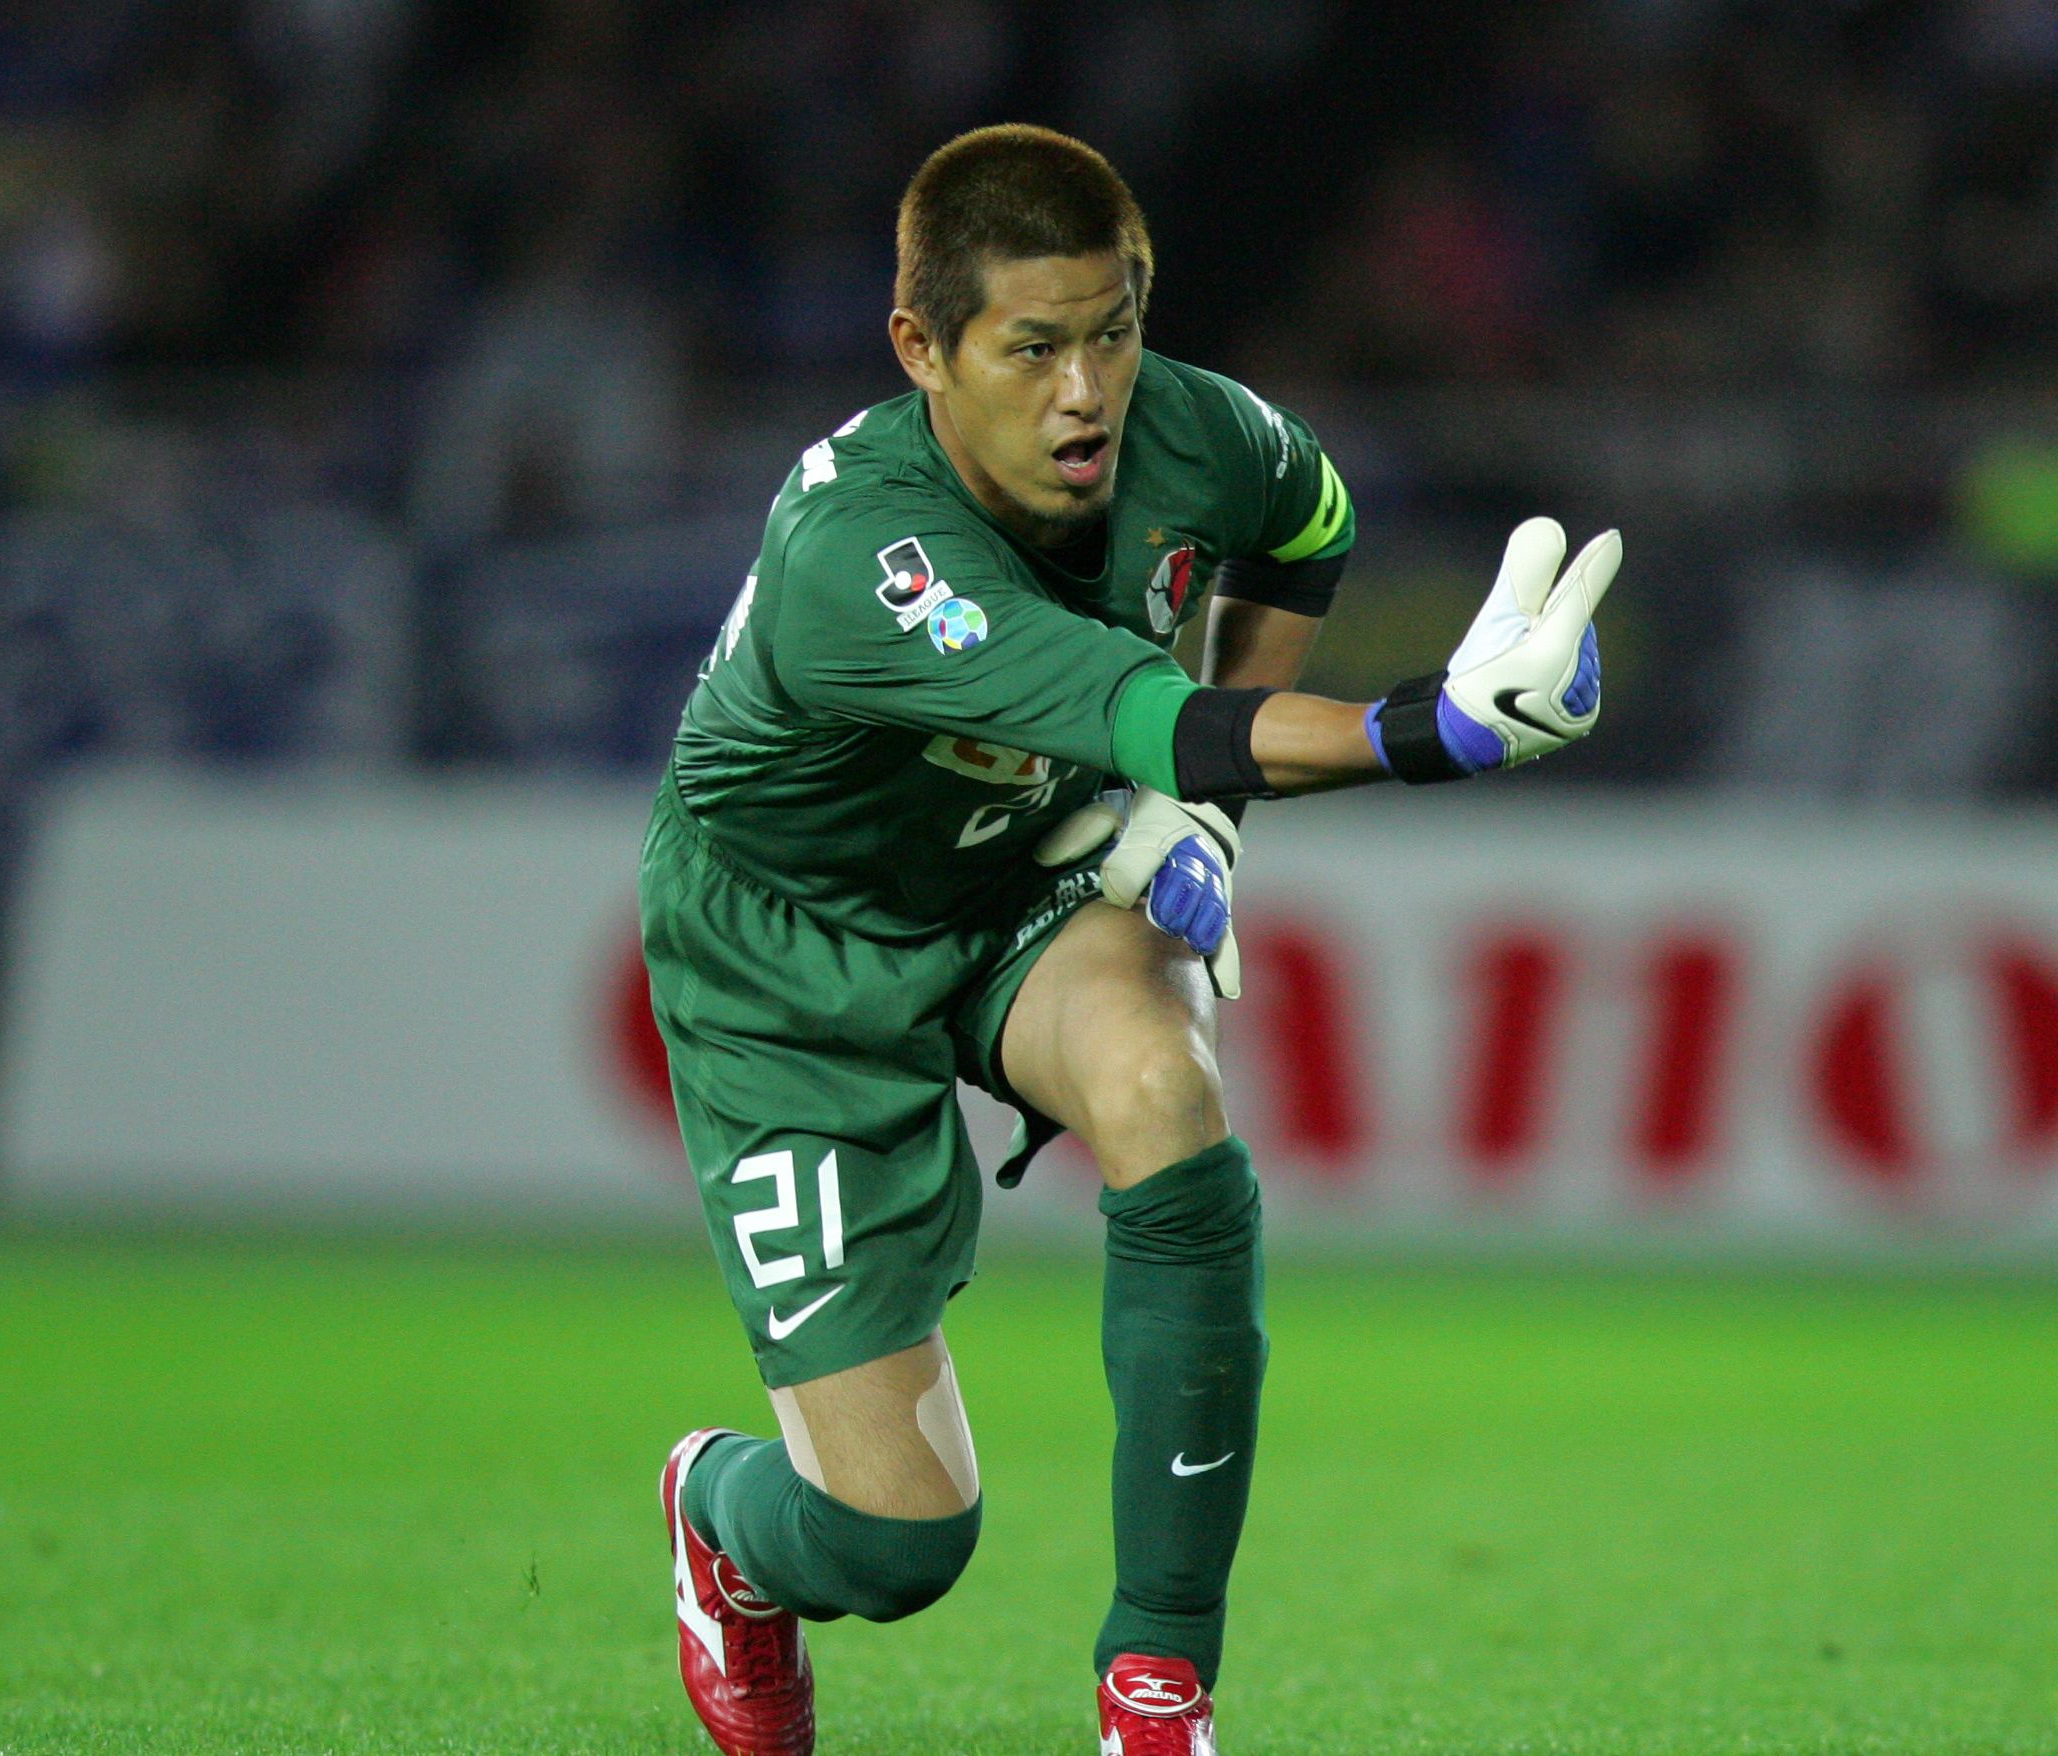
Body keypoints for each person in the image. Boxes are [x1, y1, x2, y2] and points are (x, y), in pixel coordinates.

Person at [639, 124, 1618, 1756]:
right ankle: (721, 1522)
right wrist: (1423, 730)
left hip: (1018, 877)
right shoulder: (864, 563)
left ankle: (1157, 1679)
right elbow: (1146, 715)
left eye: (1114, 331)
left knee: (1165, 1086)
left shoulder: (1199, 431)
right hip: (790, 964)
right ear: (920, 349)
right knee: (891, 1546)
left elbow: (1304, 519)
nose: (1086, 393)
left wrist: (1202, 823)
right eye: (1032, 350)